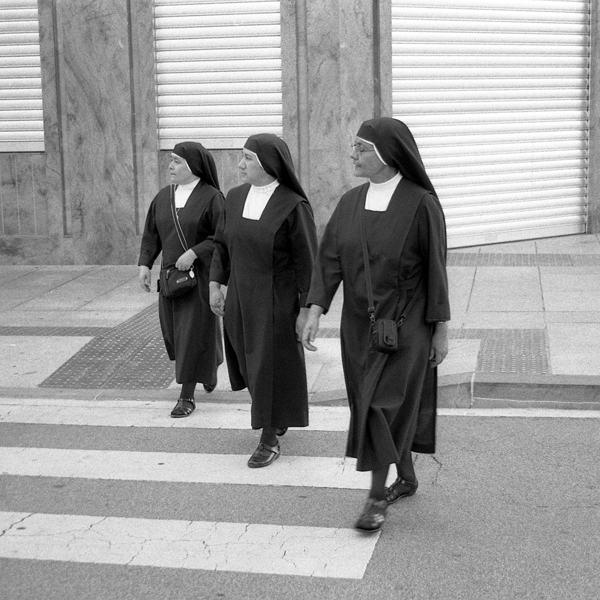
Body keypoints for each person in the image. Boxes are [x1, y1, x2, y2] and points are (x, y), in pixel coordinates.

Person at [302, 117, 450, 531]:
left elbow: (436, 269)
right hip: (358, 326)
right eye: (354, 146)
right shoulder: (350, 202)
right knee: (367, 403)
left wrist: (440, 329)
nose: (352, 154)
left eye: (361, 148)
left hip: (406, 326)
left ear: (387, 155)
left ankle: (375, 498)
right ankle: (407, 476)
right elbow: (329, 259)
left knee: (380, 408)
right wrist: (314, 309)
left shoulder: (421, 204)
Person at [209, 133, 317, 468]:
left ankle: (269, 438)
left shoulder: (293, 205)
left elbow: (308, 263)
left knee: (267, 367)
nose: (240, 164)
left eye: (247, 158)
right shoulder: (235, 197)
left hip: (276, 301)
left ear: (269, 164)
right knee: (247, 363)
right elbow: (222, 246)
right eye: (241, 157)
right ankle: (275, 415)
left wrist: (306, 310)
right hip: (240, 297)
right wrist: (215, 285)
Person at [139, 141, 224, 418]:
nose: (170, 166)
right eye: (171, 160)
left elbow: (222, 238)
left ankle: (186, 395)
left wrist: (196, 252)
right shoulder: (163, 196)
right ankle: (211, 364)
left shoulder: (212, 198)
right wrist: (145, 264)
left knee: (191, 335)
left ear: (193, 166)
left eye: (177, 162)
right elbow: (152, 233)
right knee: (174, 334)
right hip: (170, 279)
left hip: (198, 279)